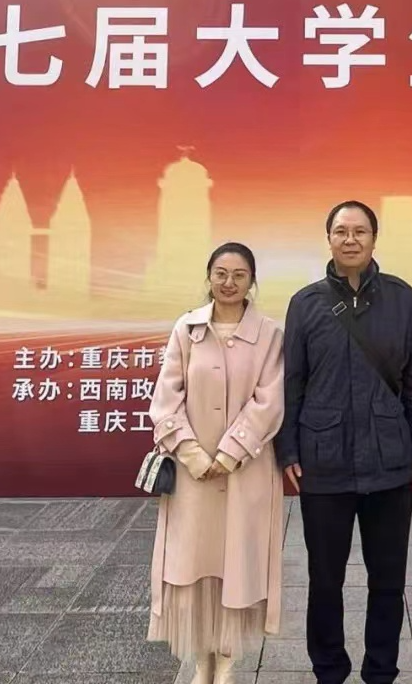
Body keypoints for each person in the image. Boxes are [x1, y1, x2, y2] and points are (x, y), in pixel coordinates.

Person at [274, 200, 412, 684]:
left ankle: (381, 671)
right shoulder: (306, 303)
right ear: (328, 239)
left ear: (374, 239)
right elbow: (291, 383)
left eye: (359, 231)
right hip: (323, 462)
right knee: (325, 580)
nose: (350, 239)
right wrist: (288, 450)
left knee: (388, 579)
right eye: (341, 231)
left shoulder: (402, 298)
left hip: (389, 460)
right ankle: (329, 670)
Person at [147, 242, 286, 684]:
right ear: (208, 277)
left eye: (239, 275)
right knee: (195, 562)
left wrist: (228, 454)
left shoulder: (269, 334)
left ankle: (226, 660)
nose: (229, 283)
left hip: (246, 473)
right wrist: (193, 454)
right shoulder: (186, 329)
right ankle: (201, 658)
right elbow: (165, 400)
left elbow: (270, 401)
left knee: (237, 562)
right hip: (193, 476)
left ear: (252, 281)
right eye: (221, 273)